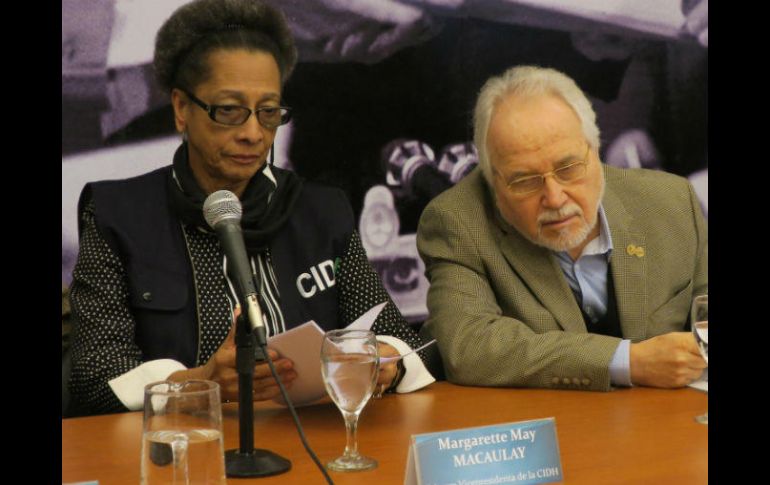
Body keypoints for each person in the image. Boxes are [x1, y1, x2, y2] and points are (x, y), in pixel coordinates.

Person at [68, 0, 435, 415]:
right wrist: (200, 381)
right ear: (181, 109)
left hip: (312, 448)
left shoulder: (319, 210)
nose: (253, 133)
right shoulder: (118, 215)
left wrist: (383, 362)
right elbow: (94, 379)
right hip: (182, 455)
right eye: (229, 111)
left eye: (268, 112)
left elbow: (402, 341)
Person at [416, 65, 707, 391]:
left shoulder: (670, 201)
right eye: (524, 181)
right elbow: (467, 345)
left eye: (568, 168)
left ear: (595, 150)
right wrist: (627, 361)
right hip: (544, 431)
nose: (554, 198)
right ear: (491, 179)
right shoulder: (456, 221)